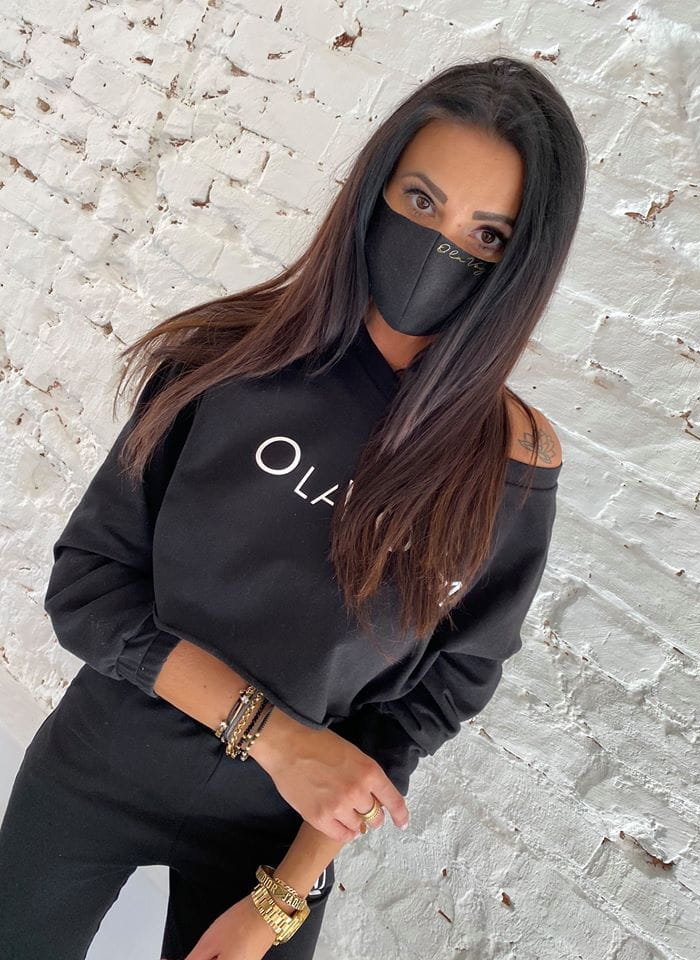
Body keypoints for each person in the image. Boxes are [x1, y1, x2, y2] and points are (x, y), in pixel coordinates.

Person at [0, 55, 587, 959]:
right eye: (422, 201)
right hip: (99, 764)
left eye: (487, 234)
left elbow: (433, 698)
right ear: (374, 190)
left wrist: (281, 899)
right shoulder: (223, 361)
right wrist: (274, 737)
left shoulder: (510, 468)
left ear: (522, 262)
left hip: (276, 838)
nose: (442, 246)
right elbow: (88, 590)